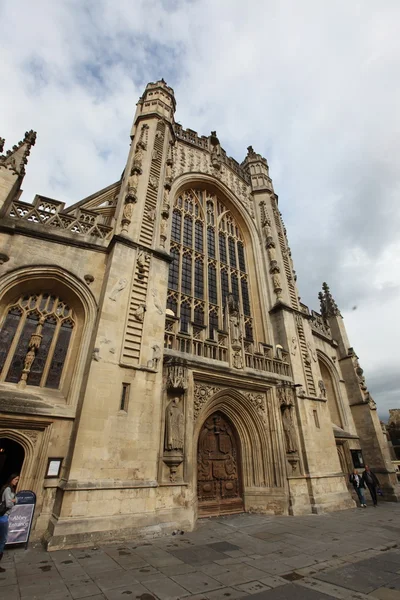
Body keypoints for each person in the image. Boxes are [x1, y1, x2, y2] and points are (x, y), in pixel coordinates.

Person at [0, 474, 19, 572]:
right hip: (3, 517)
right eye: (16, 479)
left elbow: (15, 499)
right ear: (11, 479)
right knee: (2, 540)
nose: (17, 481)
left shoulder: (10, 489)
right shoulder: (8, 489)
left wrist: (15, 500)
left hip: (4, 516)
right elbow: (9, 503)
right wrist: (14, 501)